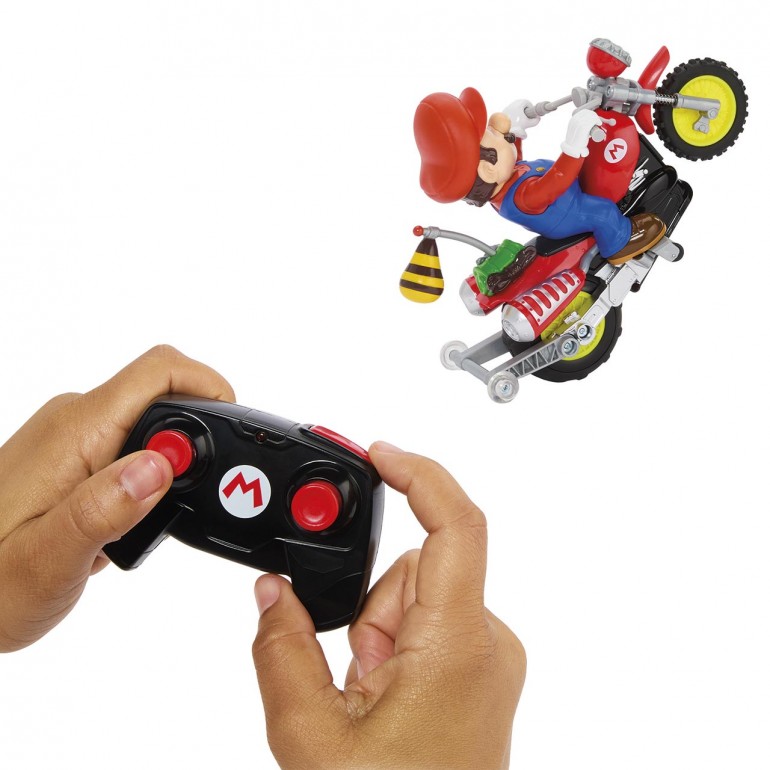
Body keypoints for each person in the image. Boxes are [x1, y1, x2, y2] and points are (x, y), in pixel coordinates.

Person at [0, 345, 526, 769]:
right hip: (188, 505)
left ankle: (247, 478)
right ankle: (291, 492)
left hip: (212, 507)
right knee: (309, 500)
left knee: (284, 489)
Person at [414, 87, 666, 266]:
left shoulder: (503, 179)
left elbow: (514, 161)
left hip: (566, 196)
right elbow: (557, 181)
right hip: (570, 212)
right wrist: (574, 144)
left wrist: (517, 129)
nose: (499, 124)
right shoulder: (522, 199)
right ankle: (620, 242)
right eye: (493, 135)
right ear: (487, 170)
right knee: (603, 212)